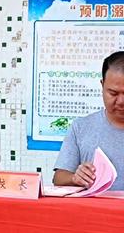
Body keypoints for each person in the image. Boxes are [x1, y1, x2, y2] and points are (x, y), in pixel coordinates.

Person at [53, 51, 124, 190]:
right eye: (113, 93)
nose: (121, 101)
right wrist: (75, 178)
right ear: (102, 85)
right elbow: (59, 178)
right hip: (93, 211)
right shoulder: (81, 127)